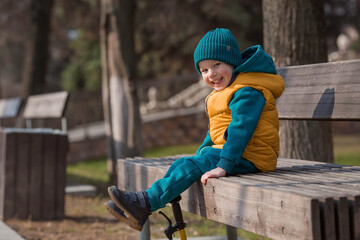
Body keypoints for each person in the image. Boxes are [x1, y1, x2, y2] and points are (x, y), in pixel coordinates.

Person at [104, 28, 285, 231]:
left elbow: (240, 131)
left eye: (217, 65)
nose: (211, 74)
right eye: (204, 70)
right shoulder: (226, 91)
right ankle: (140, 207)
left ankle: (144, 203)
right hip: (238, 153)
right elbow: (215, 131)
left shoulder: (248, 92)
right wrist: (203, 153)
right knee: (185, 163)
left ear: (233, 62)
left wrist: (223, 165)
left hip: (253, 156)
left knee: (191, 166)